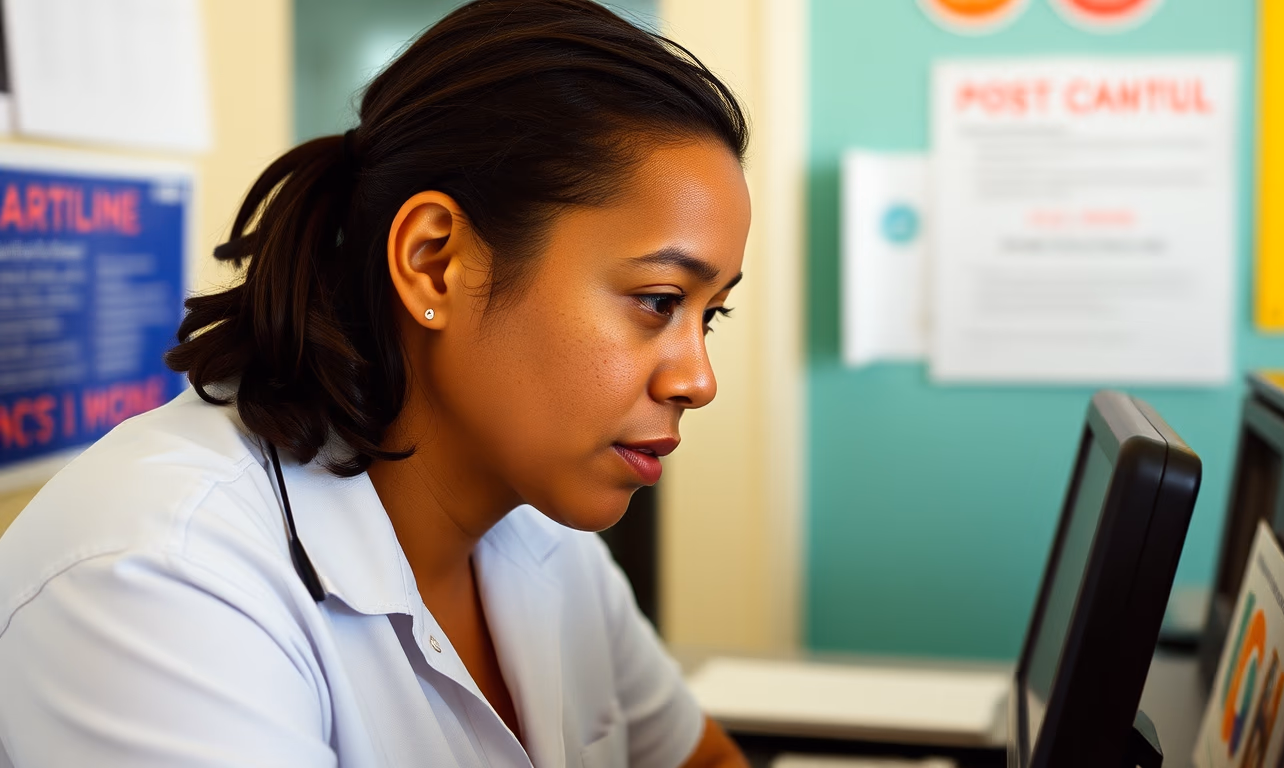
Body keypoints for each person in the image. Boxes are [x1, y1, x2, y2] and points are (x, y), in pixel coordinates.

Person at [0, 1, 751, 765]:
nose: (699, 380)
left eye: (709, 316)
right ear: (435, 260)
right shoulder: (162, 580)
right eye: (659, 302)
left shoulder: (543, 530)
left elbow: (703, 758)